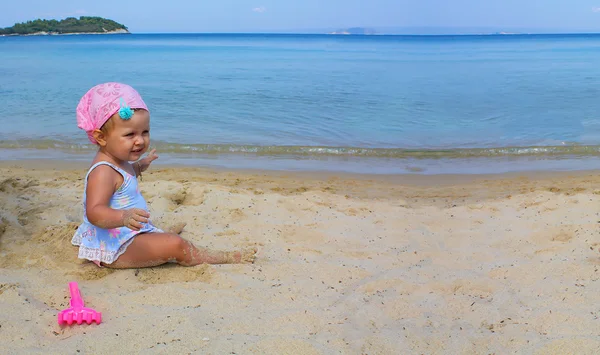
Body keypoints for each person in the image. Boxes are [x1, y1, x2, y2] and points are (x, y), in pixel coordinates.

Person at [71, 82, 257, 269]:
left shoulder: (118, 161)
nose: (140, 140)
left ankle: (156, 235)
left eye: (145, 132)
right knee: (176, 245)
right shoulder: (103, 172)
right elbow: (94, 212)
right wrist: (123, 217)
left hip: (128, 234)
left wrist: (139, 166)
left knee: (164, 239)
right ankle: (223, 256)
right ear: (101, 137)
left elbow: (124, 178)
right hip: (115, 247)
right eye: (130, 134)